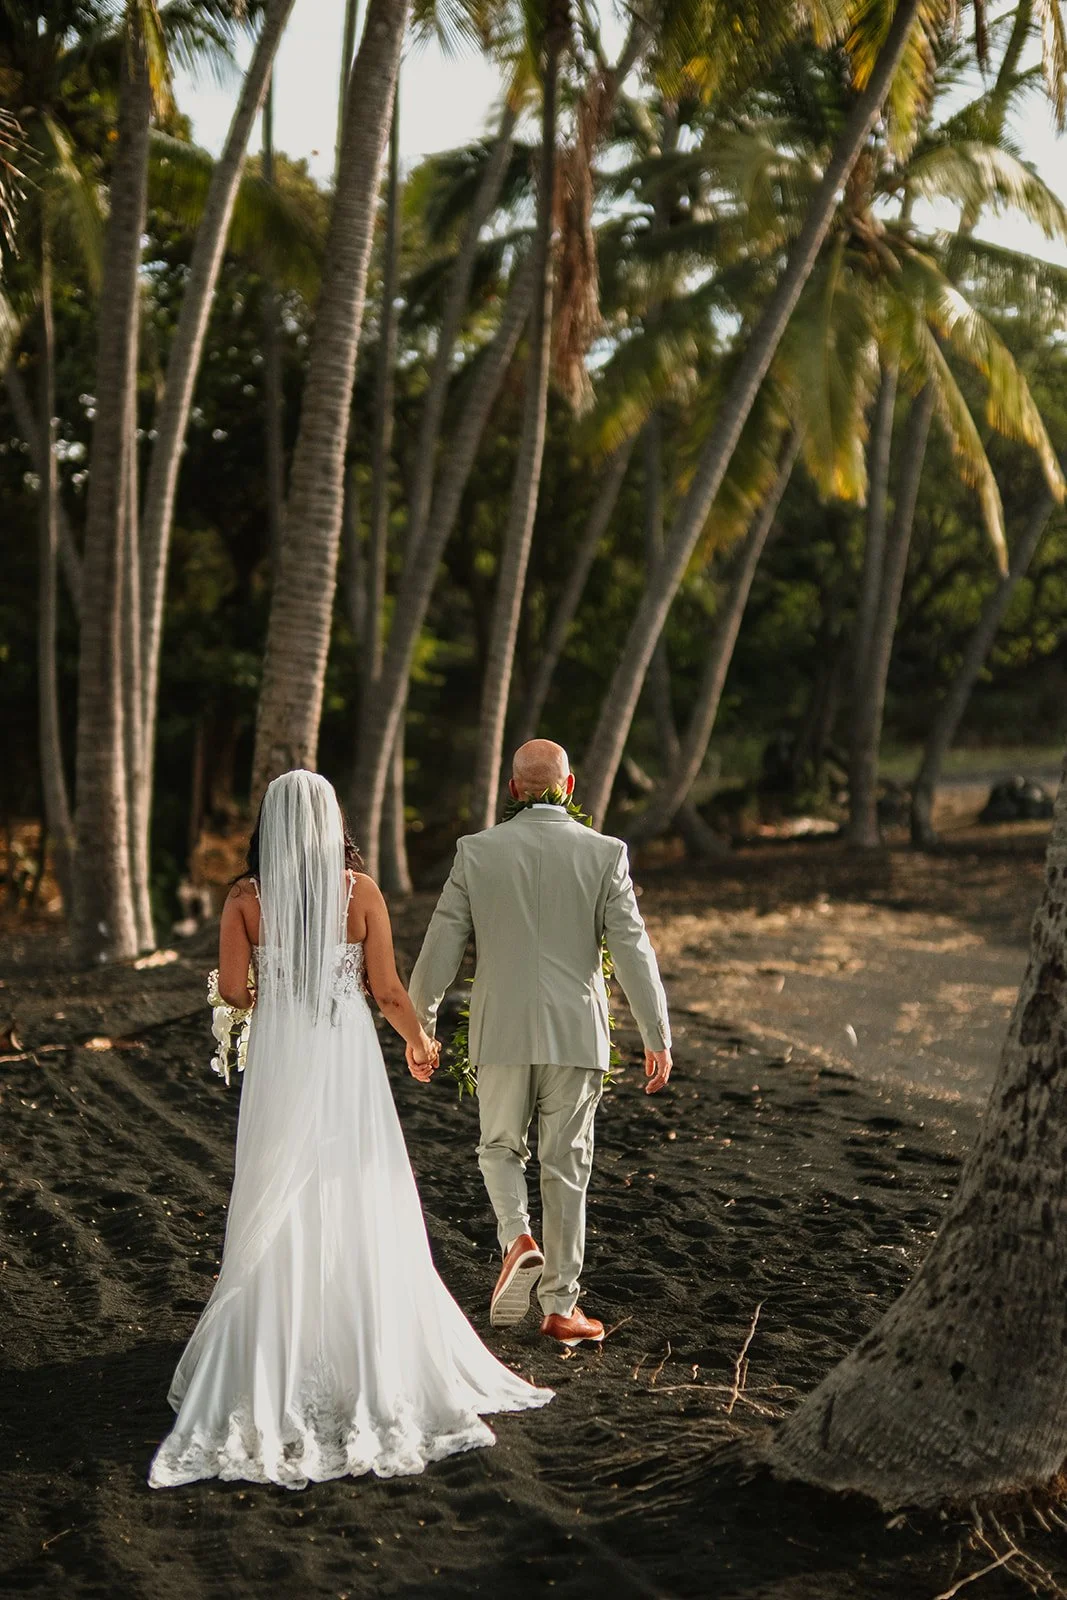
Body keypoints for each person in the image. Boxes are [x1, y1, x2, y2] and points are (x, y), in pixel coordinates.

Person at [149, 770, 551, 1491]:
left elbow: (237, 991)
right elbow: (387, 990)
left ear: (270, 823)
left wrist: (269, 986)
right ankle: (364, 1334)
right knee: (354, 1177)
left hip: (282, 1053)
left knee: (279, 1178)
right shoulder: (358, 891)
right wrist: (418, 1041)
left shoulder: (245, 898)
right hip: (343, 1054)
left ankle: (276, 1337)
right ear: (332, 820)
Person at [409, 740, 672, 1349]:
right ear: (571, 786)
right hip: (576, 1032)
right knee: (567, 1166)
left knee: (499, 1147)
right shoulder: (606, 853)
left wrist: (421, 1027)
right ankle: (561, 1306)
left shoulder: (475, 852)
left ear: (512, 791)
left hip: (499, 1027)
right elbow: (633, 950)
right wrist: (655, 1034)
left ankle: (515, 1239)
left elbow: (440, 946)